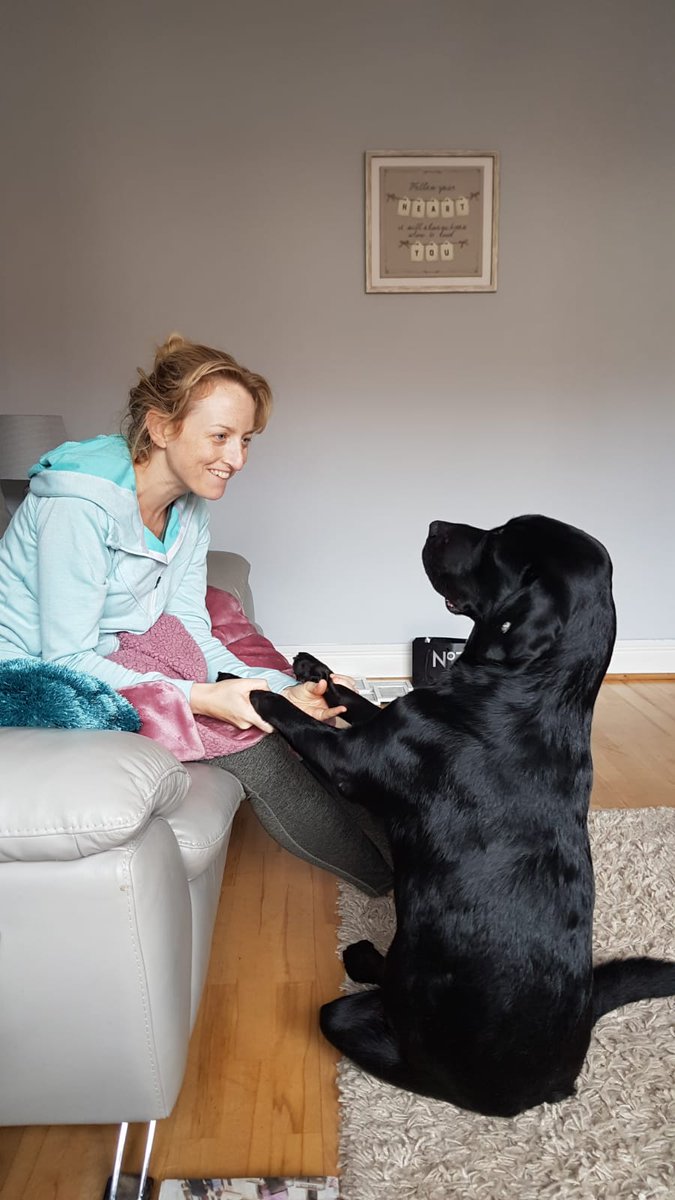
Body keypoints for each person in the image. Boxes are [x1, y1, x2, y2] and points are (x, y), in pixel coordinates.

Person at [0, 334, 392, 895]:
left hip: (113, 650)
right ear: (162, 429)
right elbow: (68, 657)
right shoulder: (75, 509)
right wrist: (201, 698)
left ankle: (424, 854)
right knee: (251, 739)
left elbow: (190, 632)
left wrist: (281, 691)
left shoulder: (188, 508)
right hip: (31, 675)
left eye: (246, 440)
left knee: (291, 717)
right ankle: (395, 886)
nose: (236, 459)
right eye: (221, 436)